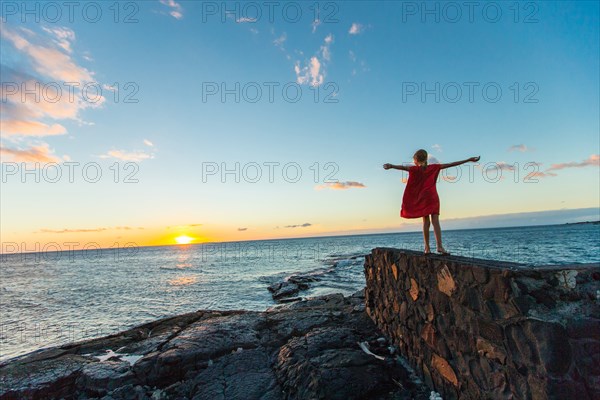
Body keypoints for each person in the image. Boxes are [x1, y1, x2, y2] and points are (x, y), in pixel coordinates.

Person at [383, 149, 480, 255]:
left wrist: (391, 165)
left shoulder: (414, 169)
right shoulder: (434, 167)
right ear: (425, 159)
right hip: (433, 197)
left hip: (423, 198)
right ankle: (440, 247)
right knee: (435, 222)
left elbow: (401, 167)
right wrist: (468, 160)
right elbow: (451, 164)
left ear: (416, 160)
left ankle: (427, 248)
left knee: (426, 222)